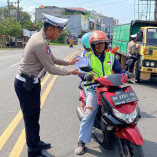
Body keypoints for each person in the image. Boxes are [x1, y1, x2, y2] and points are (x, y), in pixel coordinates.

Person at [14, 13, 81, 157]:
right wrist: (71, 72)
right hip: (26, 85)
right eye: (59, 31)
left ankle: (36, 142)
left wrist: (68, 62)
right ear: (50, 29)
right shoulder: (40, 42)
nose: (60, 33)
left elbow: (52, 58)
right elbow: (51, 68)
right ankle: (33, 151)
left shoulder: (42, 39)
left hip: (31, 84)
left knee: (34, 117)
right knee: (30, 119)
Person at [75, 30, 124, 155]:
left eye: (102, 43)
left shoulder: (111, 56)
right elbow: (80, 71)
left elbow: (119, 70)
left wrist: (126, 74)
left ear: (106, 44)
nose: (100, 45)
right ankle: (81, 141)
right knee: (90, 114)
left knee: (121, 108)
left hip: (110, 88)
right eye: (97, 43)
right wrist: (85, 76)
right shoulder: (87, 57)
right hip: (93, 89)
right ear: (92, 45)